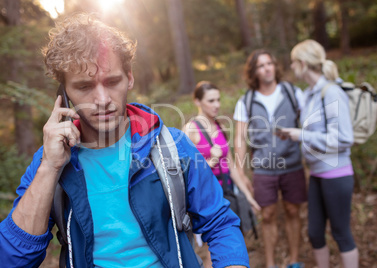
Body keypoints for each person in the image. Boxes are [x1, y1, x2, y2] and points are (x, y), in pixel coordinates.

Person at [0, 14, 249, 268]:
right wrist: (49, 168)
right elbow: (12, 260)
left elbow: (220, 225)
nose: (102, 99)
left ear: (129, 77)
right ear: (63, 94)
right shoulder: (48, 162)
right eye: (84, 86)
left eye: (112, 82)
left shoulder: (172, 147)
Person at [279, 39, 359, 268]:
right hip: (316, 174)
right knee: (314, 233)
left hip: (337, 174)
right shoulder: (311, 94)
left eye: (293, 62)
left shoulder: (331, 92)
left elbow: (344, 138)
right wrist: (294, 133)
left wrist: (301, 135)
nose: (291, 67)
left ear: (303, 63)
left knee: (341, 233)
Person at [233, 50, 307, 268]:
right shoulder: (246, 101)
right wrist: (241, 171)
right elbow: (240, 138)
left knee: (293, 211)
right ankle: (271, 264)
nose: (266, 68)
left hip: (292, 164)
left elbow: (310, 129)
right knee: (267, 215)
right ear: (254, 72)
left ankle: (294, 261)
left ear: (275, 66)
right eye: (260, 66)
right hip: (263, 169)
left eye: (269, 63)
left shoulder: (292, 93)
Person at [183, 81, 260, 212]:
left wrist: (247, 196)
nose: (217, 105)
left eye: (218, 100)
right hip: (206, 200)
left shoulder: (220, 127)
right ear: (197, 102)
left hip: (228, 194)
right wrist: (212, 160)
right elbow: (186, 172)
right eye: (211, 101)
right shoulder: (191, 129)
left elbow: (231, 165)